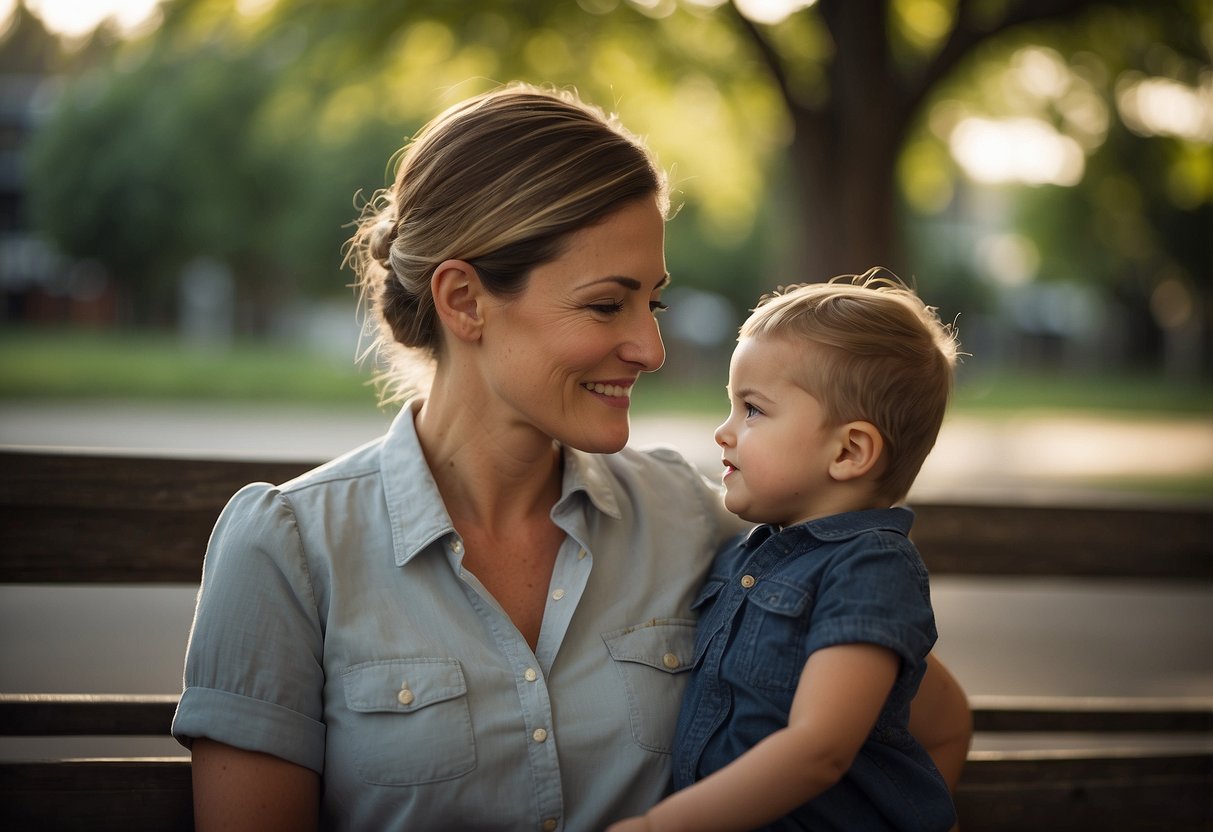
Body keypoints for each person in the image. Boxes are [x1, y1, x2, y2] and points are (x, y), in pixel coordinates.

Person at [171, 84, 971, 831]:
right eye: (605, 303)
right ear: (463, 301)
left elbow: (927, 719)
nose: (650, 347)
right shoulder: (287, 548)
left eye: (650, 301)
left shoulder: (694, 518)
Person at [608, 272, 962, 832]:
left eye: (752, 409)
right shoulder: (750, 555)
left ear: (848, 450)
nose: (724, 432)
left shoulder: (870, 569)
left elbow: (818, 749)